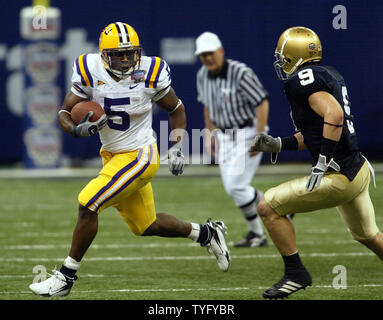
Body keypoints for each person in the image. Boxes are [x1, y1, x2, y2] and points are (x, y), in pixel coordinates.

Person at [29, 22, 230, 298]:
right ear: (103, 55)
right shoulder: (90, 71)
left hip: (140, 156)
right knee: (145, 225)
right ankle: (207, 233)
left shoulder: (151, 72)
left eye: (129, 53)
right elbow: (65, 111)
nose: (125, 60)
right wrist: (75, 129)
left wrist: (178, 145)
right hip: (112, 155)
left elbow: (176, 107)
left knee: (88, 203)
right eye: (118, 55)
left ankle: (65, 277)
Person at [250, 26, 383, 299]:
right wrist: (280, 144)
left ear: (292, 56)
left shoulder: (302, 80)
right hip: (356, 169)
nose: (281, 62)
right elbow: (318, 131)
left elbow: (334, 116)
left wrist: (322, 162)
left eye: (283, 56)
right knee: (369, 236)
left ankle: (296, 273)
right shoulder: (328, 74)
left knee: (268, 207)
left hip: (338, 177)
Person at [195, 32, 270, 248]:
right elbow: (207, 105)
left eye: (210, 53)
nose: (207, 58)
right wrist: (209, 133)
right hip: (224, 134)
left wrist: (259, 134)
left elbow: (261, 102)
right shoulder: (202, 75)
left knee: (237, 187)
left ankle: (257, 234)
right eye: (203, 55)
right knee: (233, 188)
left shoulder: (240, 72)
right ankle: (280, 205)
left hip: (246, 131)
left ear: (220, 51)